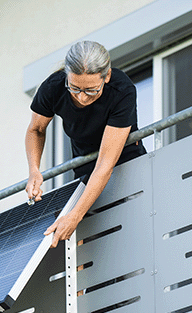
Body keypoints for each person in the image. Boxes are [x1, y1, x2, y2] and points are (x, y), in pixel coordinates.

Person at [25, 41, 145, 248]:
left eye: (91, 90)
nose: (81, 97)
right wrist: (34, 170)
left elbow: (105, 164)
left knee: (132, 236)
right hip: (85, 169)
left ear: (107, 76)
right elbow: (36, 129)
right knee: (87, 246)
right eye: (74, 88)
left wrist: (75, 215)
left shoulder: (121, 90)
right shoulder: (54, 87)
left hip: (126, 166)